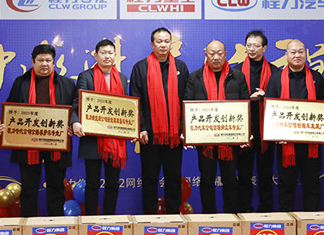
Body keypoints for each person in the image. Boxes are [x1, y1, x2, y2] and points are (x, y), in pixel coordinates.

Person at [7, 44, 77, 217]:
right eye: (40, 60)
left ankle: (56, 225)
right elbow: (10, 110)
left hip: (57, 145)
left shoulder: (67, 84)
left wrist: (72, 125)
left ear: (53, 62)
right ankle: (28, 224)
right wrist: (4, 125)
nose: (44, 64)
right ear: (33, 61)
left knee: (56, 187)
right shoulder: (21, 82)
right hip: (28, 145)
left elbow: (75, 111)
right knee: (29, 188)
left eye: (48, 60)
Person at [267, 39, 324, 212]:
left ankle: (311, 222)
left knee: (312, 184)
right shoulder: (275, 79)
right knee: (286, 185)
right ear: (286, 55)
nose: (297, 55)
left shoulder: (316, 78)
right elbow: (269, 111)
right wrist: (274, 133)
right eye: (293, 52)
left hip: (311, 143)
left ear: (306, 54)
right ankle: (287, 222)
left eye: (300, 52)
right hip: (286, 144)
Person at [184, 40, 249, 213]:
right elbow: (188, 105)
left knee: (230, 179)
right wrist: (187, 131)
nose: (216, 57)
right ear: (206, 54)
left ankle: (231, 215)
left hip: (230, 140)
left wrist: (246, 131)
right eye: (212, 53)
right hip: (205, 140)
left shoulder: (238, 77)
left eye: (219, 53)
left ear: (225, 54)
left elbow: (245, 106)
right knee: (207, 180)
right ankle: (209, 216)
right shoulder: (195, 77)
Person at [130, 28, 189, 215]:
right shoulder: (140, 68)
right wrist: (141, 128)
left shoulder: (181, 67)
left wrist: (183, 130)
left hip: (174, 135)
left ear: (171, 43)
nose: (163, 45)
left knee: (173, 179)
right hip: (149, 135)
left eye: (166, 41)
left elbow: (186, 100)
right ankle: (148, 217)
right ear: (152, 44)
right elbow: (136, 101)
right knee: (149, 179)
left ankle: (174, 216)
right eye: (159, 41)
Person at [72, 39, 130, 215]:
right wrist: (75, 121)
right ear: (95, 55)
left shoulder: (122, 78)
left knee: (113, 183)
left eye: (110, 52)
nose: (107, 56)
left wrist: (132, 128)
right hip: (93, 139)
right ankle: (91, 220)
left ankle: (109, 219)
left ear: (115, 55)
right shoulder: (86, 76)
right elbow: (78, 102)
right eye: (103, 53)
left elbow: (127, 108)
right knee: (92, 183)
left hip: (115, 140)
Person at [233, 30, 279, 212]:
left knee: (266, 173)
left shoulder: (275, 72)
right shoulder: (235, 71)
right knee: (243, 174)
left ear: (264, 48)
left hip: (266, 130)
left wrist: (266, 96)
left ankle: (266, 210)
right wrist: (247, 98)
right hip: (244, 129)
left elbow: (282, 100)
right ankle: (244, 209)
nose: (251, 49)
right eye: (249, 45)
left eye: (256, 46)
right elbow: (229, 100)